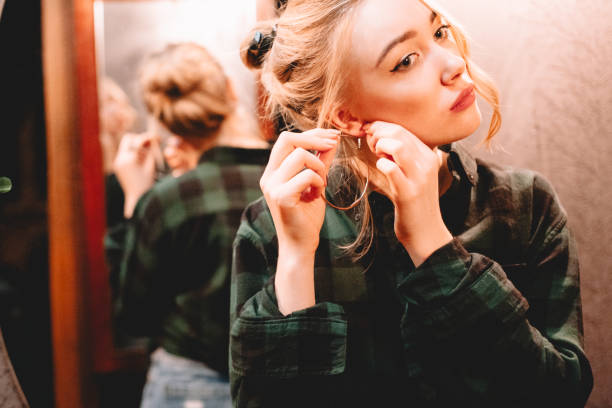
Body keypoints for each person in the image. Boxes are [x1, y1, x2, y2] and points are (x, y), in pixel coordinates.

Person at [229, 0, 594, 407]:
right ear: (347, 117)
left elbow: (560, 393)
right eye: (406, 60)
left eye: (439, 33)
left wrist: (434, 247)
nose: (454, 63)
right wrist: (296, 259)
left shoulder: (525, 205)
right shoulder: (272, 228)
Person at [105, 42, 270, 408]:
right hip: (283, 379)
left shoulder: (169, 201)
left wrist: (136, 199)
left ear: (164, 122)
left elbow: (133, 315)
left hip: (190, 384)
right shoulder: (291, 176)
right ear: (229, 89)